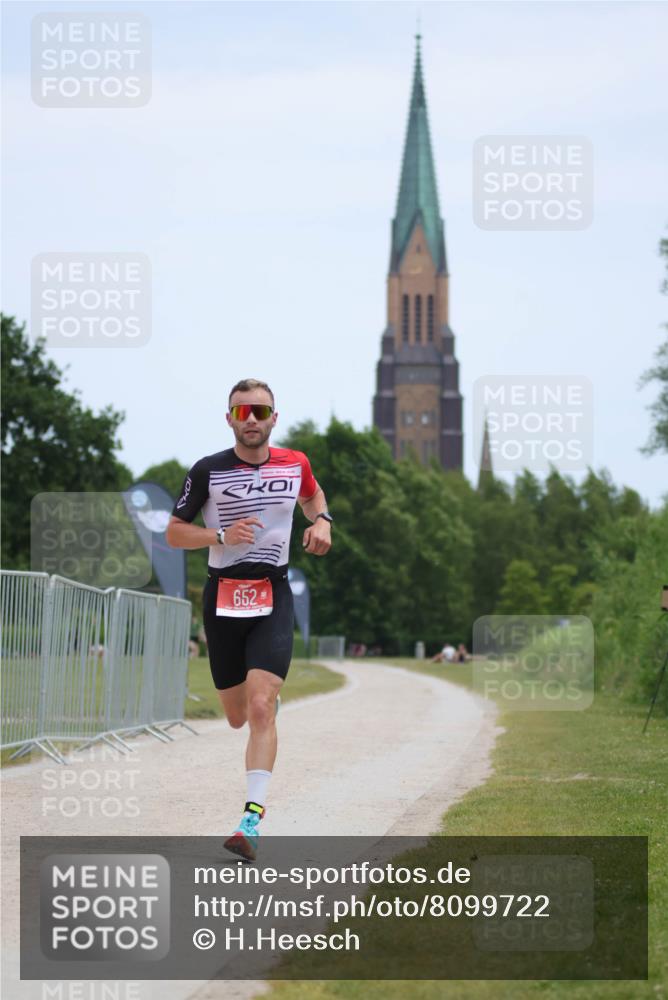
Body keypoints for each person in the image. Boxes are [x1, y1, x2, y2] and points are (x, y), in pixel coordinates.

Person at [166, 378, 332, 860]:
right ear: (230, 419)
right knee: (237, 716)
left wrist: (322, 522)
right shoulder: (208, 471)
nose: (252, 420)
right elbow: (175, 534)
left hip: (272, 592)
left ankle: (251, 821)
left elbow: (313, 497)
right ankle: (260, 705)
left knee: (260, 706)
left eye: (260, 411)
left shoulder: (295, 463)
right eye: (243, 412)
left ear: (274, 418)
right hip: (223, 598)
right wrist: (219, 535)